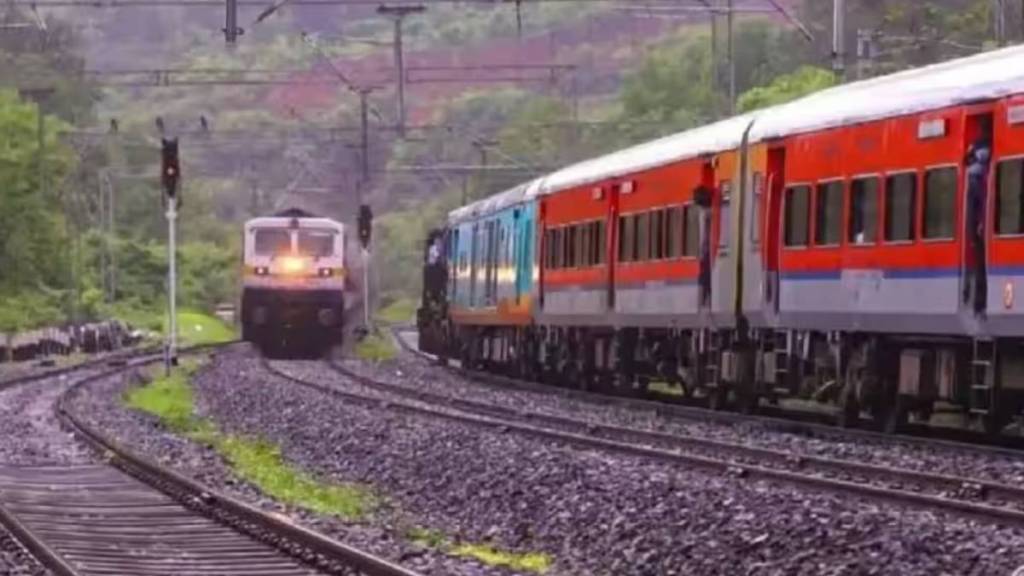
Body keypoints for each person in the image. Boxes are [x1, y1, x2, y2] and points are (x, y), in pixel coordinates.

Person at [965, 119, 992, 312]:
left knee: (979, 260)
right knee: (980, 261)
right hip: (981, 215)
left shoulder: (974, 151)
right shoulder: (986, 153)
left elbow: (965, 161)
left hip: (978, 216)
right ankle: (978, 302)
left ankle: (977, 302)